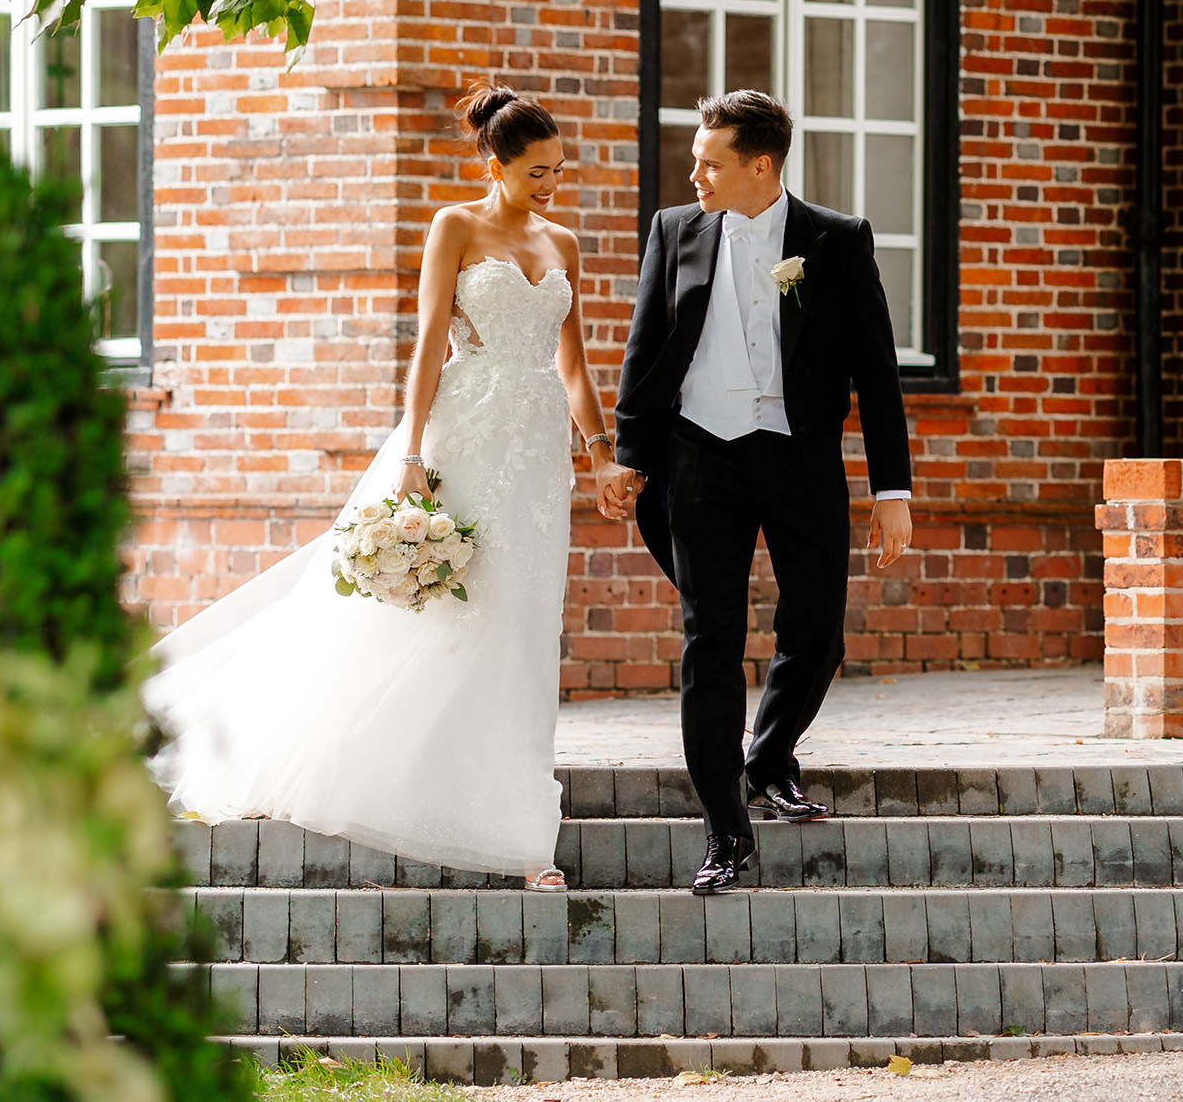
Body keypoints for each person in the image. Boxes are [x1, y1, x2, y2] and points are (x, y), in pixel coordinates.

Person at [143, 84, 634, 890]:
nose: (551, 186)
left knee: (521, 615)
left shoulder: (565, 245)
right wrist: (410, 451)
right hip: (465, 430)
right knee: (441, 604)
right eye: (538, 172)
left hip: (538, 454)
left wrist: (599, 450)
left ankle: (515, 820)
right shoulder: (456, 226)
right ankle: (363, 764)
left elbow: (571, 362)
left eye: (558, 171)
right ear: (496, 162)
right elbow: (429, 344)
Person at [604, 89, 913, 895]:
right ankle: (725, 831)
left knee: (816, 634)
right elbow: (645, 349)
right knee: (711, 641)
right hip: (700, 456)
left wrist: (893, 489)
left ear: (761, 165)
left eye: (711, 161)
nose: (694, 174)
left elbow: (877, 373)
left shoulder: (835, 241)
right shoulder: (675, 231)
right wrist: (628, 455)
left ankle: (769, 755)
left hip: (799, 456)